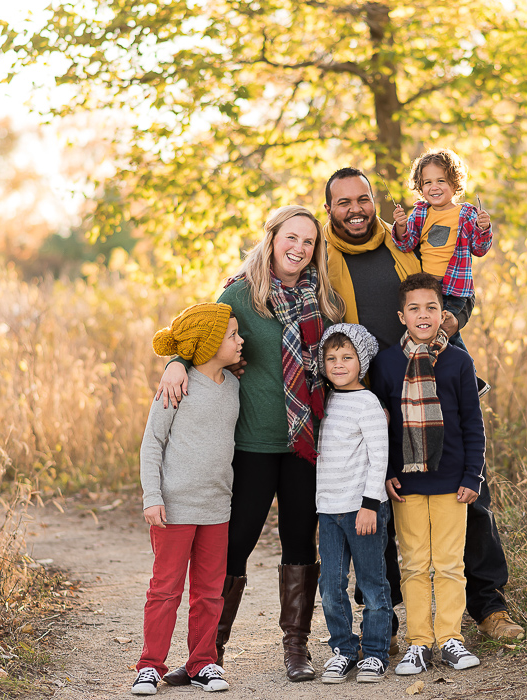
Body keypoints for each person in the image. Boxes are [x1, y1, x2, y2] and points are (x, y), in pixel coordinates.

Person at [322, 167, 525, 643]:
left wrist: (452, 322)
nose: (355, 209)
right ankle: (386, 616)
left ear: (374, 200)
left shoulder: (403, 238)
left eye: (362, 199)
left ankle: (489, 606)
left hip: (437, 381)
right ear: (329, 208)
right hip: (371, 395)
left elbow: (455, 284)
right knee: (380, 503)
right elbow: (266, 272)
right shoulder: (322, 258)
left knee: (470, 493)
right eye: (343, 202)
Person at [155, 205, 345, 684]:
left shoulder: (322, 299)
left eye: (308, 242)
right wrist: (175, 362)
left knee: (300, 541)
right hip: (253, 443)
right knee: (233, 545)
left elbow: (343, 352)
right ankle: (208, 652)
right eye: (291, 238)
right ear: (272, 237)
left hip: (305, 442)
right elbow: (200, 331)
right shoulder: (240, 294)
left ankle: (296, 649)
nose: (299, 248)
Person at [370, 273, 485, 675]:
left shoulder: (458, 360)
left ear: (443, 314)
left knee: (450, 564)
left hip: (453, 482)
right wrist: (384, 472)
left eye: (432, 308)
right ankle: (419, 642)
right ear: (402, 316)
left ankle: (450, 638)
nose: (423, 315)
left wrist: (473, 475)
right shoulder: (385, 363)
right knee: (415, 564)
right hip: (407, 483)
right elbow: (379, 426)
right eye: (415, 308)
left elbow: (473, 422)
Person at [132, 303, 244, 695]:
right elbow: (152, 444)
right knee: (165, 590)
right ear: (210, 343)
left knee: (210, 593)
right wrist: (152, 496)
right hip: (174, 509)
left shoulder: (233, 387)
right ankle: (150, 665)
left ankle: (203, 663)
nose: (240, 340)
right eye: (232, 335)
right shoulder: (176, 385)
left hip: (217, 508)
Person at [314, 323, 392, 684]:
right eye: (331, 358)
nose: (339, 364)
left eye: (347, 357)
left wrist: (370, 505)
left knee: (372, 584)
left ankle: (375, 652)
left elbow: (379, 457)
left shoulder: (368, 403)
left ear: (362, 361)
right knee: (330, 586)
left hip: (362, 510)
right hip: (328, 511)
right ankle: (344, 649)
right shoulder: (325, 402)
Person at [391, 148, 492, 353]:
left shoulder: (466, 213)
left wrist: (483, 229)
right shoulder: (420, 212)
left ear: (454, 185)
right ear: (420, 187)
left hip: (454, 289)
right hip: (428, 289)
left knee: (445, 331)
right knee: (430, 335)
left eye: (441, 181)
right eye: (427, 182)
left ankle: (468, 374)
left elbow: (479, 249)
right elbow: (407, 244)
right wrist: (401, 226)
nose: (434, 187)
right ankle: (433, 372)